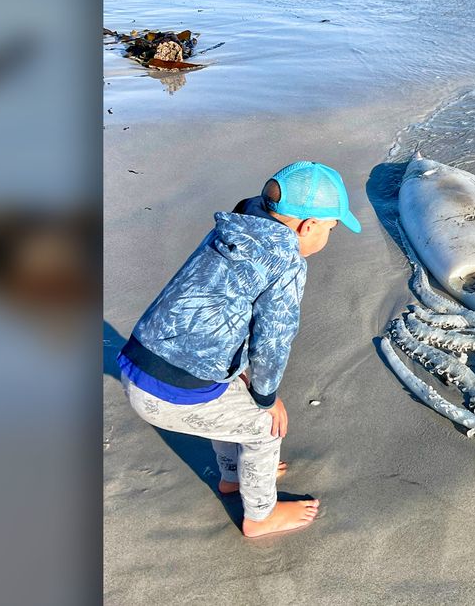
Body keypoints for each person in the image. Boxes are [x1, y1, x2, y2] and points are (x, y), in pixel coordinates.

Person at [116, 161, 360, 537]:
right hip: (168, 391)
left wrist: (245, 379)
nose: (327, 237)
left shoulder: (236, 225)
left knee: (233, 388)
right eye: (330, 229)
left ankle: (233, 477)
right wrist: (266, 398)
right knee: (266, 427)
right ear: (308, 226)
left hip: (138, 359)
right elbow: (273, 339)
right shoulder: (285, 260)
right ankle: (260, 516)